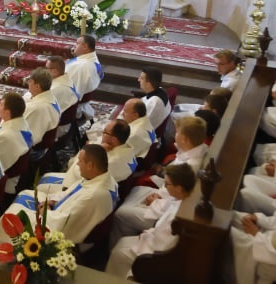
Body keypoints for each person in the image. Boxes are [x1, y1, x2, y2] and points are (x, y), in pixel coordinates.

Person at [0, 144, 118, 244]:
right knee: (26, 193)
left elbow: (63, 225)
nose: (77, 164)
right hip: (59, 209)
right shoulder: (103, 178)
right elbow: (71, 193)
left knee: (11, 217)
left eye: (80, 161)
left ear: (90, 165)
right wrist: (52, 201)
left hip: (55, 225)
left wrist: (44, 212)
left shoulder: (93, 196)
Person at [110, 116, 208, 246]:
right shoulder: (196, 150)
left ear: (184, 139)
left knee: (120, 214)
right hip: (165, 194)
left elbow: (178, 198)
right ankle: (132, 234)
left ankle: (118, 246)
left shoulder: (190, 166)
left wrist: (156, 201)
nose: (175, 134)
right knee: (136, 189)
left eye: (177, 132)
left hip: (165, 210)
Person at [105, 163, 197, 279]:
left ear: (179, 188)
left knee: (119, 253)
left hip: (157, 254)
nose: (165, 186)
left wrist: (147, 236)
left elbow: (163, 244)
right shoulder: (182, 199)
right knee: (122, 243)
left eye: (167, 184)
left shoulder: (178, 217)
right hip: (153, 240)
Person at [37, 119, 136, 196]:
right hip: (83, 180)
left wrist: (93, 149)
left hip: (78, 186)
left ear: (114, 140)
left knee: (40, 186)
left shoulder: (113, 162)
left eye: (105, 132)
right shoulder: (126, 149)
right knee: (46, 176)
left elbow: (80, 171)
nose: (102, 133)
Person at [65, 35, 103, 119]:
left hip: (71, 111)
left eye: (77, 43)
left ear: (85, 47)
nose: (74, 45)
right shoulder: (92, 60)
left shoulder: (80, 67)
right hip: (83, 103)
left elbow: (70, 93)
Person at [21, 67, 60, 146]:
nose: (28, 83)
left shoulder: (36, 108)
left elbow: (28, 138)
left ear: (37, 86)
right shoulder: (52, 98)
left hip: (35, 151)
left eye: (30, 81)